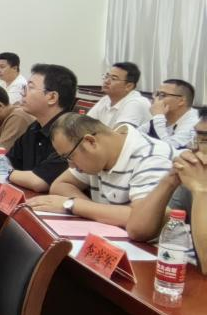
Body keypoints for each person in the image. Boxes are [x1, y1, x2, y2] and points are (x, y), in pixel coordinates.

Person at [28, 113, 173, 235]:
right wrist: (96, 211)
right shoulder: (102, 153)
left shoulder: (152, 157)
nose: (71, 165)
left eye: (69, 157)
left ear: (90, 142)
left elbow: (138, 220)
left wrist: (72, 205)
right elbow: (60, 185)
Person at [126, 108, 207, 254]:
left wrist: (201, 191)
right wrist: (171, 179)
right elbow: (138, 231)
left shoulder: (200, 184)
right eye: (195, 137)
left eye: (204, 140)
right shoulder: (196, 180)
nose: (191, 146)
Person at [4, 63, 77, 192]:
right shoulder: (35, 127)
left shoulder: (70, 133)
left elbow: (39, 181)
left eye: (30, 88)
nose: (22, 93)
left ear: (52, 97)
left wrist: (0, 170)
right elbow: (9, 160)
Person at [89, 62, 151, 128]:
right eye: (106, 76)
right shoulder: (105, 99)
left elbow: (120, 133)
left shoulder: (136, 103)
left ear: (129, 86)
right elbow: (85, 124)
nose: (106, 81)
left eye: (113, 78)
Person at [146, 79, 197, 149]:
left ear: (181, 101)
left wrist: (158, 116)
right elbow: (137, 135)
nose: (155, 98)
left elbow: (169, 148)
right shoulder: (165, 115)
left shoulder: (195, 123)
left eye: (162, 95)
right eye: (156, 94)